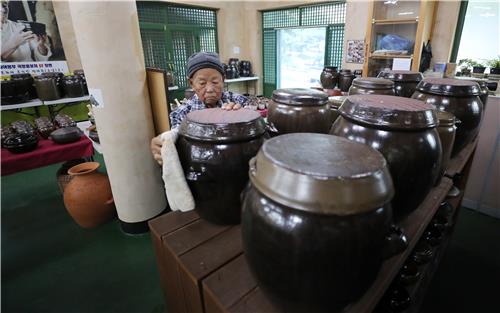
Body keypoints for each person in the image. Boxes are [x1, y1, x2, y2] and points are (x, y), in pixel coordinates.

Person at [150, 51, 248, 165]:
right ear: (191, 83)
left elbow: (252, 110)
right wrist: (165, 142)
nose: (210, 89)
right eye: (202, 83)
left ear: (223, 79)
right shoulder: (183, 113)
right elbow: (177, 136)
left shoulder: (235, 100)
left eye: (215, 82)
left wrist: (242, 114)